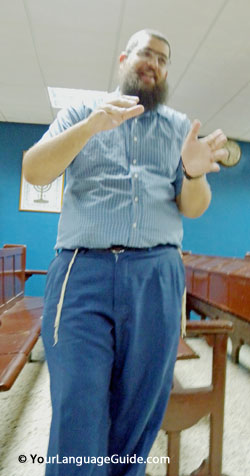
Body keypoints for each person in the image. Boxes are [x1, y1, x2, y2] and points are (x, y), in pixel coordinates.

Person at [23, 29, 228, 476]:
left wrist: (193, 174)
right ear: (123, 59)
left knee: (139, 408)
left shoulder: (178, 128)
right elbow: (34, 170)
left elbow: (192, 207)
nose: (154, 62)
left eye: (163, 58)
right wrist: (91, 126)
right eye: (145, 53)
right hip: (82, 271)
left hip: (156, 274)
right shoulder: (80, 112)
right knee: (78, 399)